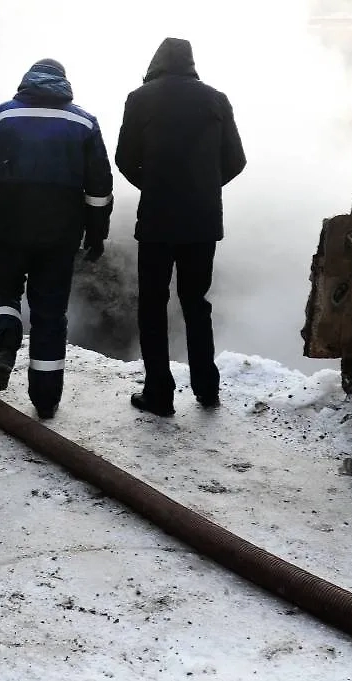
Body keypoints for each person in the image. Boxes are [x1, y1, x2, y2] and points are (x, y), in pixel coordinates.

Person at [0, 58, 113, 420]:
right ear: (63, 85)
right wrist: (97, 235)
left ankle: (5, 346)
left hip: (7, 231)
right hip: (61, 237)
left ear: (26, 82)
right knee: (50, 313)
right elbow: (99, 188)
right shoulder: (84, 123)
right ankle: (46, 399)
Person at [115, 38, 246, 417]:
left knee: (152, 305)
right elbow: (236, 160)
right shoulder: (216, 99)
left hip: (157, 219)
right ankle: (206, 389)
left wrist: (155, 185)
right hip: (203, 220)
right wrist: (202, 187)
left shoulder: (140, 98)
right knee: (196, 302)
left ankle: (159, 393)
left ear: (155, 63)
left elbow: (125, 159)